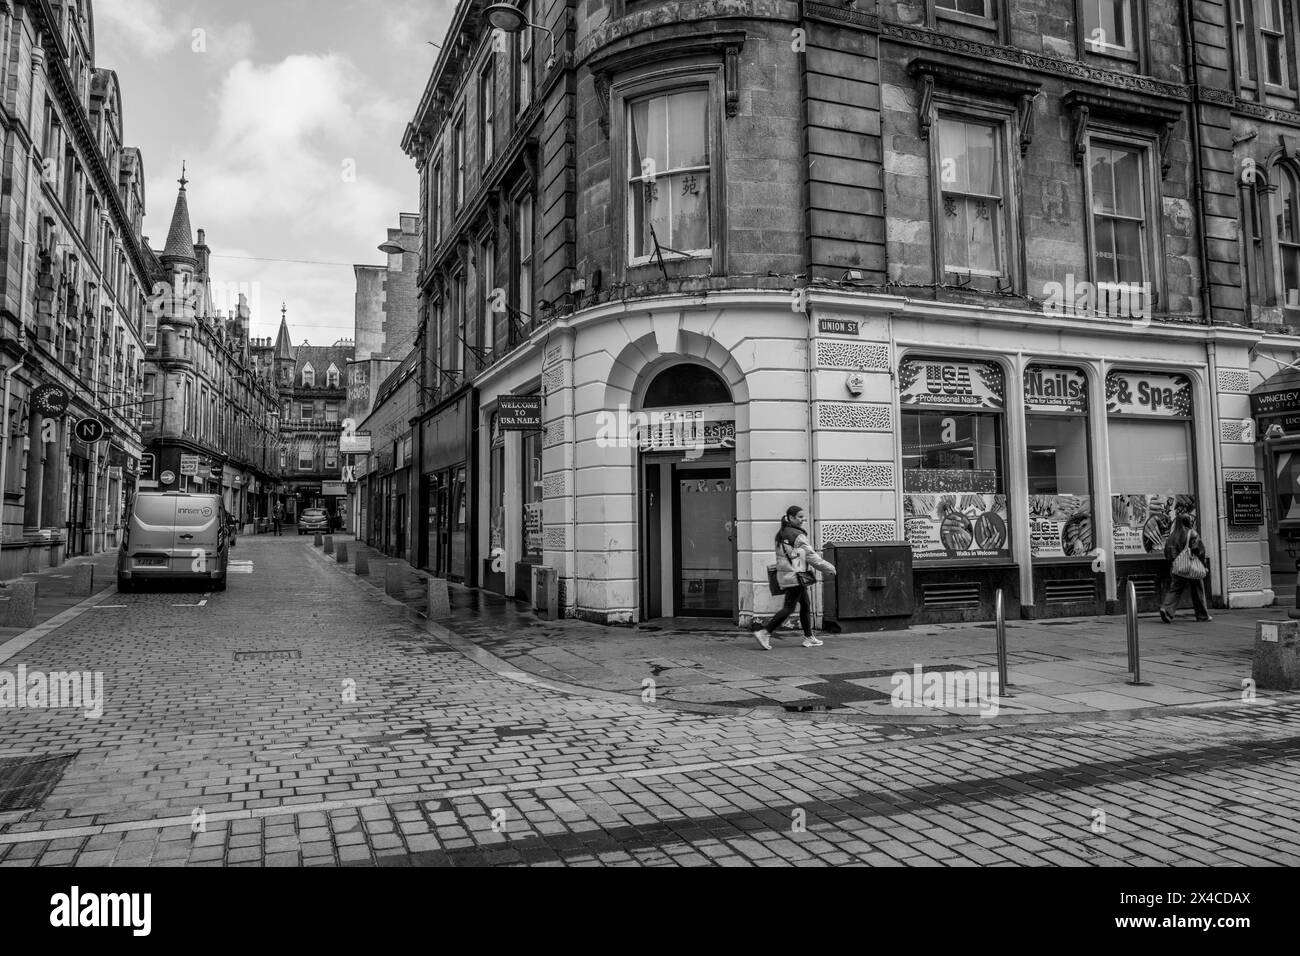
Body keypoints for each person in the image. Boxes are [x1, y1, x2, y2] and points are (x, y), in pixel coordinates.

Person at [753, 505, 836, 649]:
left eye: (803, 517)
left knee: (805, 604)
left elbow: (794, 555)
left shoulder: (782, 533)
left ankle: (809, 637)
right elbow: (811, 557)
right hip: (795, 576)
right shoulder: (796, 535)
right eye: (800, 517)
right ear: (791, 518)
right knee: (789, 607)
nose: (803, 519)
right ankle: (765, 632)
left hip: (789, 574)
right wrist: (829, 568)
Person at [1160, 512, 1211, 623]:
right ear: (1188, 522)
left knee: (1175, 589)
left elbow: (1167, 553)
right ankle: (1202, 615)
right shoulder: (1192, 533)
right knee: (1198, 589)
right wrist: (1204, 565)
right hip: (1192, 566)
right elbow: (1200, 551)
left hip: (1177, 567)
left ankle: (1166, 609)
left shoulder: (1171, 537)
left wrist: (1175, 562)